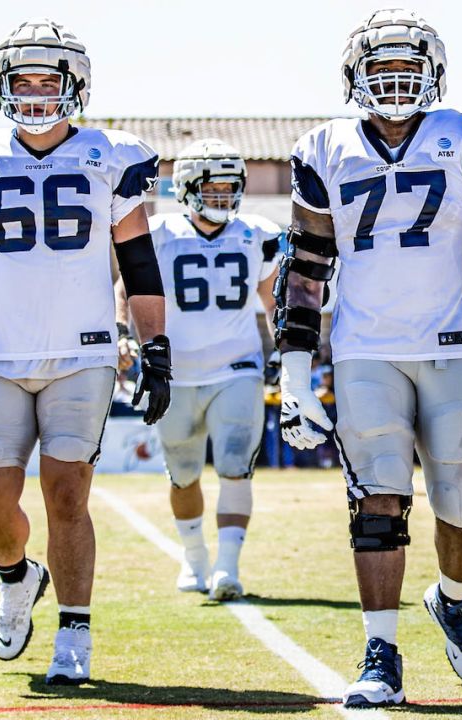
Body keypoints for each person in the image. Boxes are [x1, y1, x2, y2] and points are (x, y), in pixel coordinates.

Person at [276, 8, 462, 707]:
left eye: (408, 69)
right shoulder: (324, 148)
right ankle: (381, 652)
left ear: (434, 74)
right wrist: (295, 368)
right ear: (353, 77)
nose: (395, 83)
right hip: (365, 348)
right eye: (381, 70)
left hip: (449, 345)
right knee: (377, 501)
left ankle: (453, 599)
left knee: (459, 506)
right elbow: (306, 264)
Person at [0, 18, 170, 686]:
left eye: (46, 80)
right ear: (1, 86)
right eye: (21, 80)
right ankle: (17, 577)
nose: (33, 92)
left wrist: (156, 348)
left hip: (82, 354)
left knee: (66, 494)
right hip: (1, 354)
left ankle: (74, 633)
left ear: (74, 86)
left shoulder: (110, 154)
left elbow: (138, 261)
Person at [115, 139, 281, 600]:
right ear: (187, 188)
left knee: (235, 466)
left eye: (232, 187)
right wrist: (122, 332)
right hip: (175, 373)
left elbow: (272, 300)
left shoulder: (259, 232)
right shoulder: (159, 231)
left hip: (237, 367)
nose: (224, 197)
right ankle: (195, 559)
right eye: (213, 187)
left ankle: (228, 567)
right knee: (183, 474)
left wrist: (287, 347)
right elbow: (124, 288)